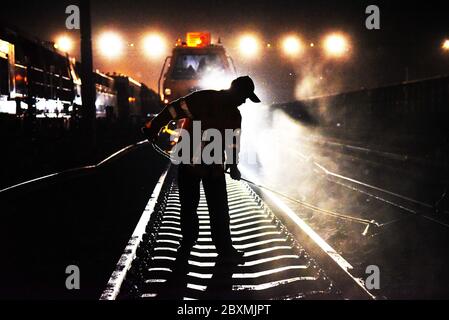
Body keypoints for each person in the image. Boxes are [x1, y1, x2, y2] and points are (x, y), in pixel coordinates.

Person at [142, 76, 261, 266]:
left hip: (203, 166)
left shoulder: (216, 105)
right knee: (211, 208)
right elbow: (174, 111)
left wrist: (234, 165)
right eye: (245, 96)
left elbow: (232, 144)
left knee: (200, 208)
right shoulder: (209, 102)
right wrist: (154, 127)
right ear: (236, 91)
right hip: (201, 166)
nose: (244, 101)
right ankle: (210, 248)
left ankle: (195, 247)